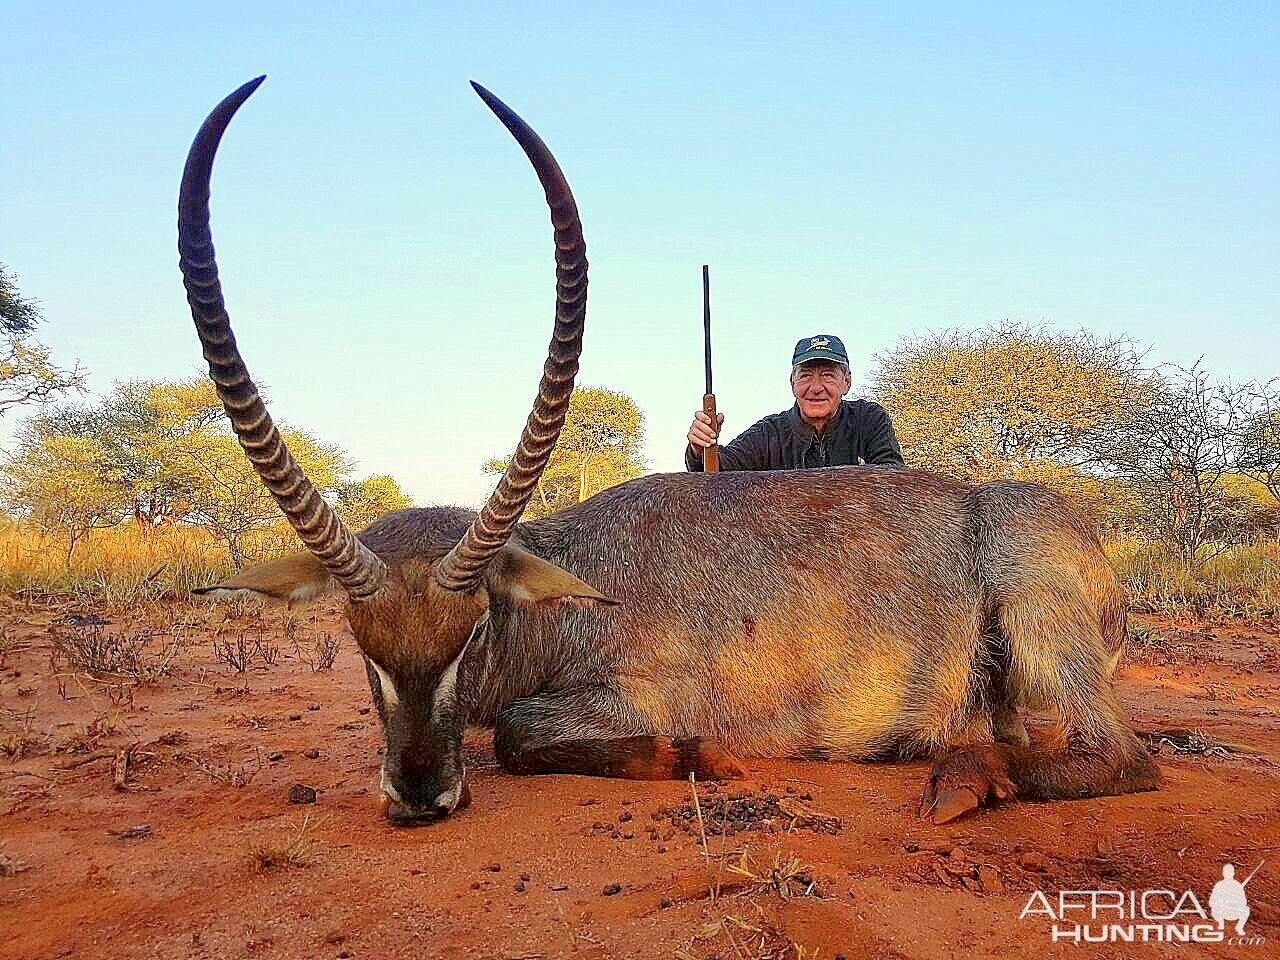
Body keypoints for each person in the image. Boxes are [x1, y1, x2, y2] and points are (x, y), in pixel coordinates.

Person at [685, 334, 904, 472]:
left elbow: (893, 479)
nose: (816, 387)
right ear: (792, 383)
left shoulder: (869, 420)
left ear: (846, 382)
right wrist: (700, 448)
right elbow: (718, 469)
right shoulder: (769, 433)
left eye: (827, 376)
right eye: (806, 376)